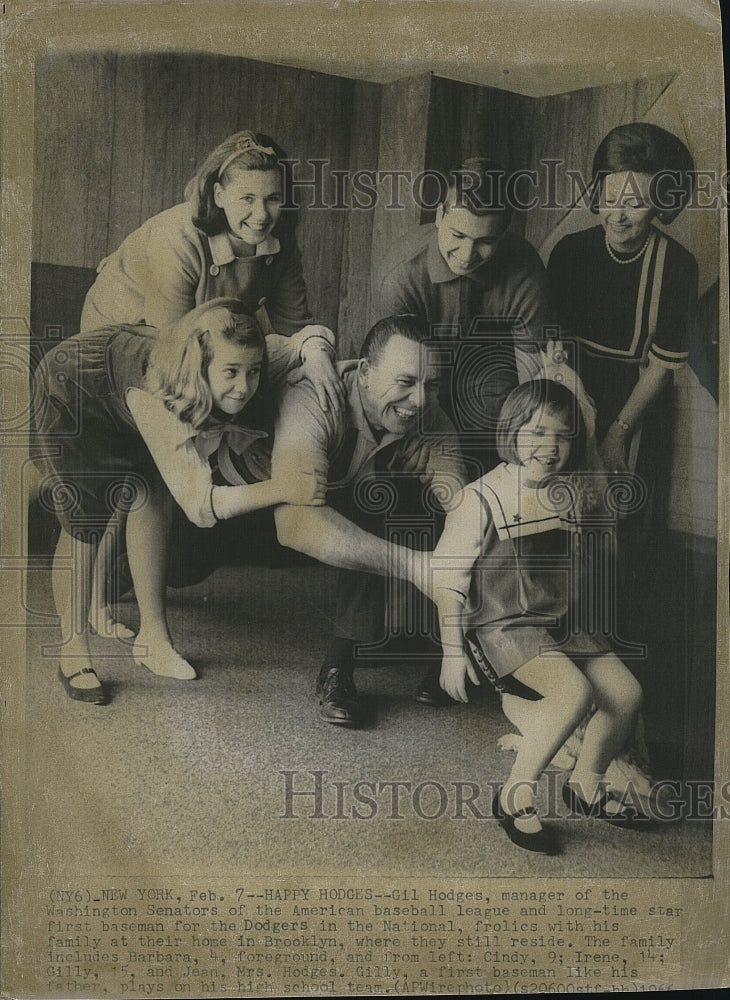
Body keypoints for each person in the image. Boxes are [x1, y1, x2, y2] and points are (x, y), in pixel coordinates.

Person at [77, 129, 343, 633]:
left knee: (174, 461)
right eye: (246, 197)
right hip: (123, 342)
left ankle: (129, 583)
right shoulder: (175, 239)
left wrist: (317, 349)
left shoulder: (280, 246)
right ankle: (95, 604)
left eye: (272, 198)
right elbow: (171, 355)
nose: (260, 214)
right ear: (217, 194)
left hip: (206, 343)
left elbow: (291, 331)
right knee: (133, 462)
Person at [34, 299, 330, 704]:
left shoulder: (245, 353)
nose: (244, 387)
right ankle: (72, 650)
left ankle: (154, 639)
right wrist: (285, 488)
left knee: (154, 498)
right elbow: (200, 506)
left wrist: (318, 360)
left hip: (124, 377)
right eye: (230, 372)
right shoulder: (162, 400)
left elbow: (312, 336)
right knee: (85, 519)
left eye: (254, 371)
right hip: (76, 387)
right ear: (201, 366)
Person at [431, 380, 644, 854]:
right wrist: (450, 652)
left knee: (627, 694)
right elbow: (446, 580)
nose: (550, 447)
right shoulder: (480, 497)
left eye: (563, 436)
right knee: (574, 692)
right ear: (511, 431)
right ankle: (514, 795)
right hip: (502, 624)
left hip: (557, 619)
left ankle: (585, 783)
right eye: (538, 432)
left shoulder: (569, 493)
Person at [271, 315, 468, 727]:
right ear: (364, 372)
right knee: (185, 565)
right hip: (247, 514)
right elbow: (291, 523)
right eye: (405, 381)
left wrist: (457, 641)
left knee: (427, 504)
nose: (419, 400)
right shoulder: (315, 397)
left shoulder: (429, 414)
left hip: (343, 501)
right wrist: (416, 567)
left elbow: (464, 511)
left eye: (431, 385)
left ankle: (352, 665)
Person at [547, 123, 698, 510]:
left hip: (638, 399)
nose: (617, 216)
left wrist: (619, 431)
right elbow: (550, 345)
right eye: (611, 198)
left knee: (623, 517)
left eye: (635, 204)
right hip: (571, 387)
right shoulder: (568, 252)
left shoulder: (679, 267)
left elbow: (662, 366)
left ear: (662, 205)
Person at [376, 156, 553, 477]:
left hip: (495, 394)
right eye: (458, 235)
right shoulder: (400, 275)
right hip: (421, 390)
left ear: (503, 232)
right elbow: (394, 375)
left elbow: (531, 376)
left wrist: (526, 443)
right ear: (439, 215)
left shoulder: (526, 270)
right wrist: (416, 434)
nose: (468, 255)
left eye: (485, 241)